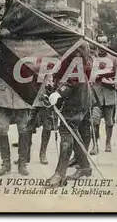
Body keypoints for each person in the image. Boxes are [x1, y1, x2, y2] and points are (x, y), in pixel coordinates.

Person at [46, 44, 93, 186]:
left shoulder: (74, 42)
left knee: (66, 131)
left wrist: (59, 92)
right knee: (73, 132)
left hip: (76, 95)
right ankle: (85, 167)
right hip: (76, 93)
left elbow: (75, 75)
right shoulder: (65, 41)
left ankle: (60, 174)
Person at [0, 74, 33, 177]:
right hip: (3, 93)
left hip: (22, 95)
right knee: (2, 129)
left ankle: (22, 163)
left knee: (23, 129)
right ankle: (5, 163)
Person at [90, 35, 117, 154]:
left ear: (108, 43)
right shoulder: (91, 59)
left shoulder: (114, 59)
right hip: (95, 94)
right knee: (94, 121)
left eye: (104, 42)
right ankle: (95, 145)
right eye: (99, 42)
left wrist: (113, 82)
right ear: (96, 44)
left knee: (109, 122)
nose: (102, 45)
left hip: (109, 94)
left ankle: (108, 143)